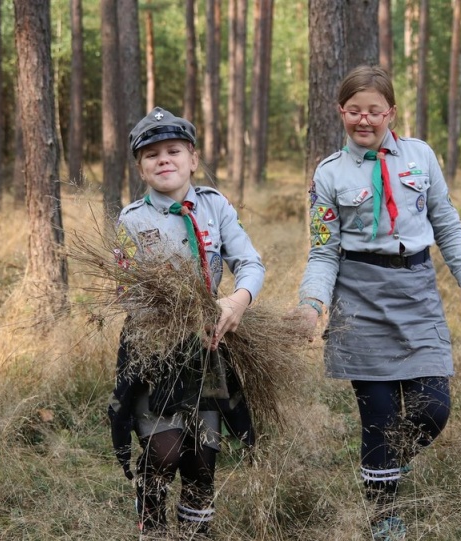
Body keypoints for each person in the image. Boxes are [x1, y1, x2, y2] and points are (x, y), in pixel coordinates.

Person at [296, 65, 461, 540]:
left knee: (434, 408)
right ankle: (382, 516)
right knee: (378, 415)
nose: (365, 120)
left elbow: (445, 221)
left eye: (374, 111)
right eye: (355, 111)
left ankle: (384, 467)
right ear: (341, 112)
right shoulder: (328, 175)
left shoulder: (420, 156)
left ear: (391, 112)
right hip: (358, 299)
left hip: (417, 290)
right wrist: (311, 303)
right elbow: (323, 250)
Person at [107, 107, 265, 537]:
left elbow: (249, 262)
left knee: (201, 455)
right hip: (153, 350)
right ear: (140, 168)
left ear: (193, 159)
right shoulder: (132, 220)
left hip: (208, 349)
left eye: (174, 150)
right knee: (165, 449)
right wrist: (170, 315)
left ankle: (196, 532)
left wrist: (238, 300)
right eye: (152, 154)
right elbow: (126, 289)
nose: (164, 160)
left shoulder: (215, 207)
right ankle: (152, 524)